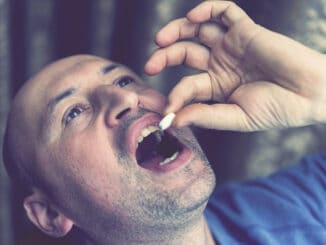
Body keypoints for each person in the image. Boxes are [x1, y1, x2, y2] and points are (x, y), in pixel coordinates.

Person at [2, 1, 325, 244]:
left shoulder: (292, 203)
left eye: (125, 81)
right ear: (51, 214)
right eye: (73, 113)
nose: (126, 99)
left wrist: (318, 89)